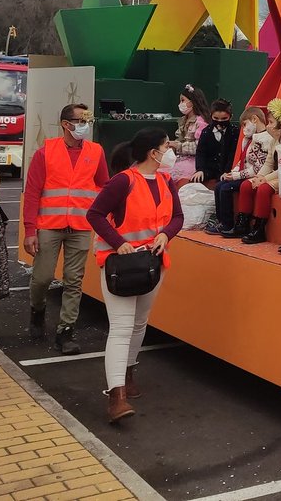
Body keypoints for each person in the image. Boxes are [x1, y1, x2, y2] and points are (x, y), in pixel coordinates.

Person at [87, 128, 183, 422]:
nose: (171, 150)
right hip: (120, 264)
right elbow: (95, 214)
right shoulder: (123, 181)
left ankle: (128, 375)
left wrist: (166, 235)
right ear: (154, 153)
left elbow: (177, 217)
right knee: (121, 326)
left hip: (153, 264)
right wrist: (119, 243)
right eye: (167, 146)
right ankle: (116, 396)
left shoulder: (166, 181)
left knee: (140, 322)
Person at [22, 103, 109, 355]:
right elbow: (33, 193)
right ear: (65, 124)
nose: (84, 125)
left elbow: (103, 186)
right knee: (42, 278)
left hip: (81, 226)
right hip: (49, 226)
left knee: (74, 280)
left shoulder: (96, 152)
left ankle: (65, 331)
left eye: (87, 121)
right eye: (80, 120)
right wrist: (30, 230)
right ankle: (37, 310)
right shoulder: (45, 153)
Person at [223, 99, 281, 244]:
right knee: (246, 185)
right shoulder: (276, 140)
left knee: (263, 189)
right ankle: (242, 223)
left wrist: (265, 179)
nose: (268, 126)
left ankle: (259, 228)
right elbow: (269, 162)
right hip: (275, 174)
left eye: (271, 123)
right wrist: (259, 176)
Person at [212, 106, 271, 235]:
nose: (244, 129)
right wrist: (232, 172)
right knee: (219, 186)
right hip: (243, 174)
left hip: (253, 176)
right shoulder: (248, 139)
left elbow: (257, 168)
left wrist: (236, 176)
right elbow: (242, 160)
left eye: (245, 124)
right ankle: (221, 221)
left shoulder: (266, 139)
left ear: (254, 119)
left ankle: (230, 224)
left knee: (226, 188)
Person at [182, 99, 238, 230]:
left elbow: (232, 154)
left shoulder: (235, 132)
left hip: (226, 169)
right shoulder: (206, 131)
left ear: (230, 117)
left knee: (221, 186)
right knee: (194, 180)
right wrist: (200, 169)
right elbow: (201, 152)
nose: (219, 121)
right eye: (216, 118)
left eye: (224, 118)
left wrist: (227, 170)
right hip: (210, 168)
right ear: (211, 116)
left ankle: (221, 220)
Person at [168, 84, 211, 183]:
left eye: (183, 100)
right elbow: (179, 139)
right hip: (181, 158)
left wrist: (178, 146)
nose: (180, 104)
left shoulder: (201, 122)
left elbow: (200, 147)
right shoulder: (183, 120)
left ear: (192, 102)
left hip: (194, 162)